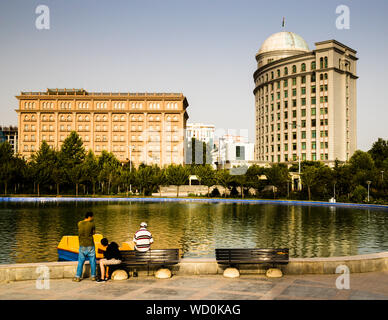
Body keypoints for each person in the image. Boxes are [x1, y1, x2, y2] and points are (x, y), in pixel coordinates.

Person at [73, 211, 97, 282]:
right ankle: (93, 276)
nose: (93, 218)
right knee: (92, 261)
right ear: (90, 217)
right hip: (90, 244)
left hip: (82, 245)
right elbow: (93, 233)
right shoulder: (92, 224)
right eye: (92, 216)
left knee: (80, 261)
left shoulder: (79, 223)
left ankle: (77, 277)